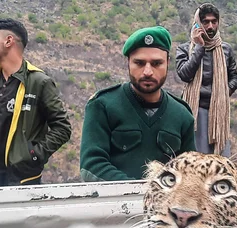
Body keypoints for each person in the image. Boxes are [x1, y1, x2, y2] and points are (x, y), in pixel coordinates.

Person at [79, 27, 196, 182]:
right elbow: (91, 166)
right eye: (139, 63)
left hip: (162, 205)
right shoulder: (103, 105)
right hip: (113, 203)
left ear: (168, 63)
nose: (148, 71)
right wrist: (138, 192)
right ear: (128, 62)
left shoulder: (182, 115)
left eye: (156, 63)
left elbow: (190, 173)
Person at [0, 18, 71, 187]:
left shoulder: (39, 82)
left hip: (21, 180)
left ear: (8, 41)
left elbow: (62, 128)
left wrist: (33, 155)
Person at [175, 3, 237, 157]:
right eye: (206, 22)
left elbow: (234, 76)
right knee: (196, 159)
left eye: (214, 21)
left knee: (219, 161)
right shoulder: (185, 48)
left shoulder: (225, 49)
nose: (210, 26)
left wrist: (223, 93)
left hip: (219, 112)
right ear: (198, 23)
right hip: (195, 112)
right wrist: (199, 47)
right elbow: (184, 74)